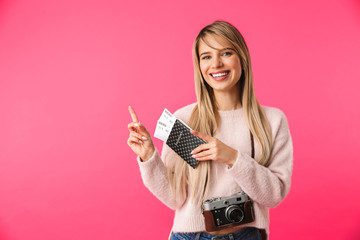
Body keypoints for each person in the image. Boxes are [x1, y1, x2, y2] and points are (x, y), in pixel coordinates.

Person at [127, 20, 293, 240]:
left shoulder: (272, 121)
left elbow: (274, 195)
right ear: (199, 65)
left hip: (247, 235)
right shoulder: (183, 120)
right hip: (189, 236)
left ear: (241, 58)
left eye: (225, 53)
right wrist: (148, 156)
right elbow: (174, 198)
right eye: (206, 56)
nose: (216, 64)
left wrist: (232, 157)